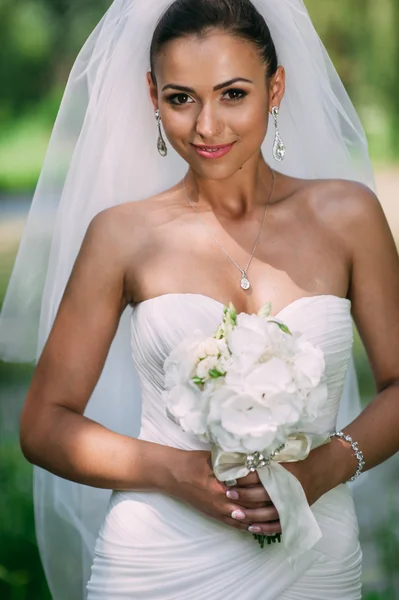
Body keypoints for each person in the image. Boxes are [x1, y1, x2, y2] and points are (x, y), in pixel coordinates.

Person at [1, 0, 398, 598]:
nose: (206, 126)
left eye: (232, 94)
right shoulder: (121, 234)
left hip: (313, 554)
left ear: (276, 87)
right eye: (180, 98)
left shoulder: (349, 216)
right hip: (157, 558)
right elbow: (42, 424)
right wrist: (173, 472)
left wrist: (322, 470)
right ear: (151, 95)